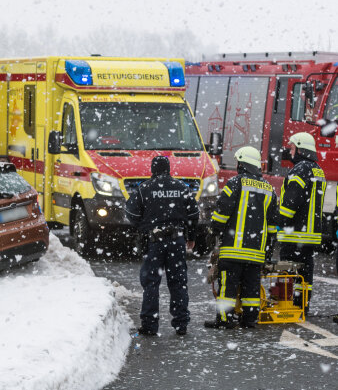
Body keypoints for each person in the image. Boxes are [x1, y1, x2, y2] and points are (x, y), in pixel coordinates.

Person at [204, 147, 278, 329]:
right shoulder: (269, 189)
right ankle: (250, 320)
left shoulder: (235, 183)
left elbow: (222, 212)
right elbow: (272, 225)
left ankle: (224, 320)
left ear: (242, 163)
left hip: (233, 251)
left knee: (227, 288)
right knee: (251, 289)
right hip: (256, 254)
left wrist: (213, 230)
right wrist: (268, 249)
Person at [125, 155, 199, 336]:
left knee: (151, 283)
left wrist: (144, 227)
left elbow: (130, 212)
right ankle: (181, 323)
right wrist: (191, 236)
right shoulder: (182, 188)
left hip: (155, 242)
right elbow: (194, 213)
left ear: (153, 170)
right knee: (178, 282)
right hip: (177, 240)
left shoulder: (145, 189)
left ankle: (150, 325)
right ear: (169, 169)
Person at [277, 132, 326, 313]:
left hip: (294, 232)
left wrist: (278, 221)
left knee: (286, 269)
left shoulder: (299, 170)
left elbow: (290, 204)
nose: (290, 151)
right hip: (310, 234)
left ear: (300, 149)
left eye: (292, 147)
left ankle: (284, 304)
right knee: (305, 272)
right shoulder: (317, 169)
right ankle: (302, 305)